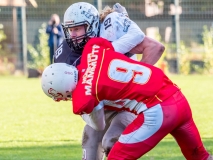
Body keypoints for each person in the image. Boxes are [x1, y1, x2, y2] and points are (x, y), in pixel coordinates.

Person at [42, 37, 213, 160]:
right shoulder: (93, 48)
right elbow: (106, 47)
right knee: (199, 156)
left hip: (159, 111)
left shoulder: (83, 95)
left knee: (117, 156)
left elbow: (99, 124)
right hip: (177, 96)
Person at [53, 2, 164, 159]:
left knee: (111, 141)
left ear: (91, 24)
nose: (73, 35)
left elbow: (155, 47)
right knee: (90, 140)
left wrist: (135, 79)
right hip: (99, 107)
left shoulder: (111, 32)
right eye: (70, 30)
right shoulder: (65, 54)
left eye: (77, 29)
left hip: (126, 106)